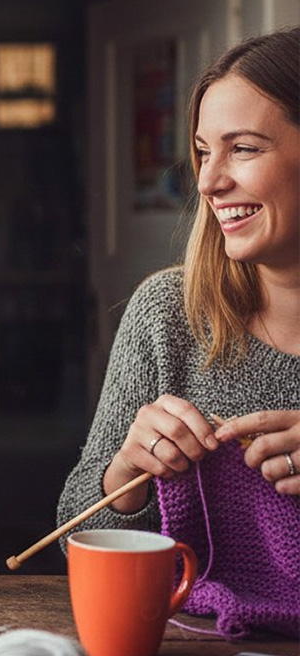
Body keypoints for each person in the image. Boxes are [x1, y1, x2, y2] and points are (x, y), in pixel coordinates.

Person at [58, 26, 299, 532]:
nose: (208, 181)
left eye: (244, 148)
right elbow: (75, 534)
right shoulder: (168, 312)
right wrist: (128, 474)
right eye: (204, 151)